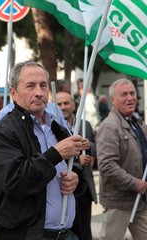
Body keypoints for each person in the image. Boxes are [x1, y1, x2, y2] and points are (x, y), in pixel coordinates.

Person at [0, 60, 84, 240]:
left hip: (66, 234)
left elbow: (71, 167)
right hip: (28, 235)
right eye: (30, 86)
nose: (38, 92)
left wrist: (74, 177)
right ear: (13, 93)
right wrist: (55, 153)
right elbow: (15, 181)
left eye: (43, 85)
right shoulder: (2, 132)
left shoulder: (56, 127)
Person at [96, 78, 147, 240]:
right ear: (113, 100)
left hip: (139, 199)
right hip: (119, 202)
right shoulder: (110, 126)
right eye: (124, 94)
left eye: (132, 93)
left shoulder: (137, 121)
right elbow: (106, 165)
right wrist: (134, 183)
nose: (130, 98)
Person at [56, 91, 97, 240]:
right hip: (64, 187)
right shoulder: (54, 126)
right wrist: (78, 159)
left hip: (84, 188)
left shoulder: (85, 124)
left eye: (66, 103)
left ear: (73, 105)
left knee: (85, 230)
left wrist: (89, 146)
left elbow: (96, 146)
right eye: (59, 104)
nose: (63, 107)